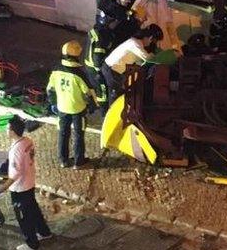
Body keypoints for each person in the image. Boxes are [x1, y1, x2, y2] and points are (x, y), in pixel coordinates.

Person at [0, 116, 53, 250]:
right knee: (34, 209)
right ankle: (44, 232)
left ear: (13, 131)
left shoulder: (16, 149)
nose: (6, 131)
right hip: (29, 181)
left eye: (7, 129)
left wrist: (2, 188)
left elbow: (15, 173)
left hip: (20, 187)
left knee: (24, 217)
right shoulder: (27, 141)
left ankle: (32, 243)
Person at [47, 41, 96, 169]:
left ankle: (63, 160)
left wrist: (53, 103)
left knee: (63, 133)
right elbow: (88, 93)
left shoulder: (56, 70)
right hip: (78, 109)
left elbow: (50, 89)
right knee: (78, 135)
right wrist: (92, 106)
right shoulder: (79, 74)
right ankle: (79, 162)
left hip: (62, 107)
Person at [102, 25, 163, 101]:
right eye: (155, 41)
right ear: (151, 38)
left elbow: (140, 62)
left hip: (115, 71)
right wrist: (161, 57)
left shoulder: (137, 43)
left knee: (119, 94)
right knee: (115, 96)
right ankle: (112, 112)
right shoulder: (135, 44)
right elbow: (147, 58)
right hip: (111, 70)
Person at [84, 17, 114, 111]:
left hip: (89, 64)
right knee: (102, 90)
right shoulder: (101, 37)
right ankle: (104, 111)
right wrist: (99, 71)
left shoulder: (94, 31)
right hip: (95, 67)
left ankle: (99, 106)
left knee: (97, 87)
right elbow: (97, 57)